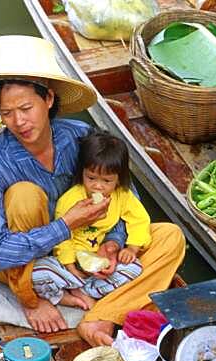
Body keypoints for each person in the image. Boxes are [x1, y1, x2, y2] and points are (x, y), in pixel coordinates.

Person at [0, 35, 185, 344]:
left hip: (84, 248)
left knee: (170, 237)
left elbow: (125, 199)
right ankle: (37, 298)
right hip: (21, 265)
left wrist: (112, 244)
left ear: (49, 100)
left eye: (26, 107)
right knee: (24, 196)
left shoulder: (81, 137)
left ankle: (100, 317)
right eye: (6, 113)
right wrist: (66, 225)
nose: (18, 121)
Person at [32, 130, 149, 310]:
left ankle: (86, 291)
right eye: (91, 178)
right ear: (82, 173)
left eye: (107, 181)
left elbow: (139, 219)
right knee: (38, 272)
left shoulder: (122, 196)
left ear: (118, 180)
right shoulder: (71, 200)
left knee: (135, 268)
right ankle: (65, 296)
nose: (98, 186)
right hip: (69, 264)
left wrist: (132, 248)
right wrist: (71, 268)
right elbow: (63, 239)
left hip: (100, 261)